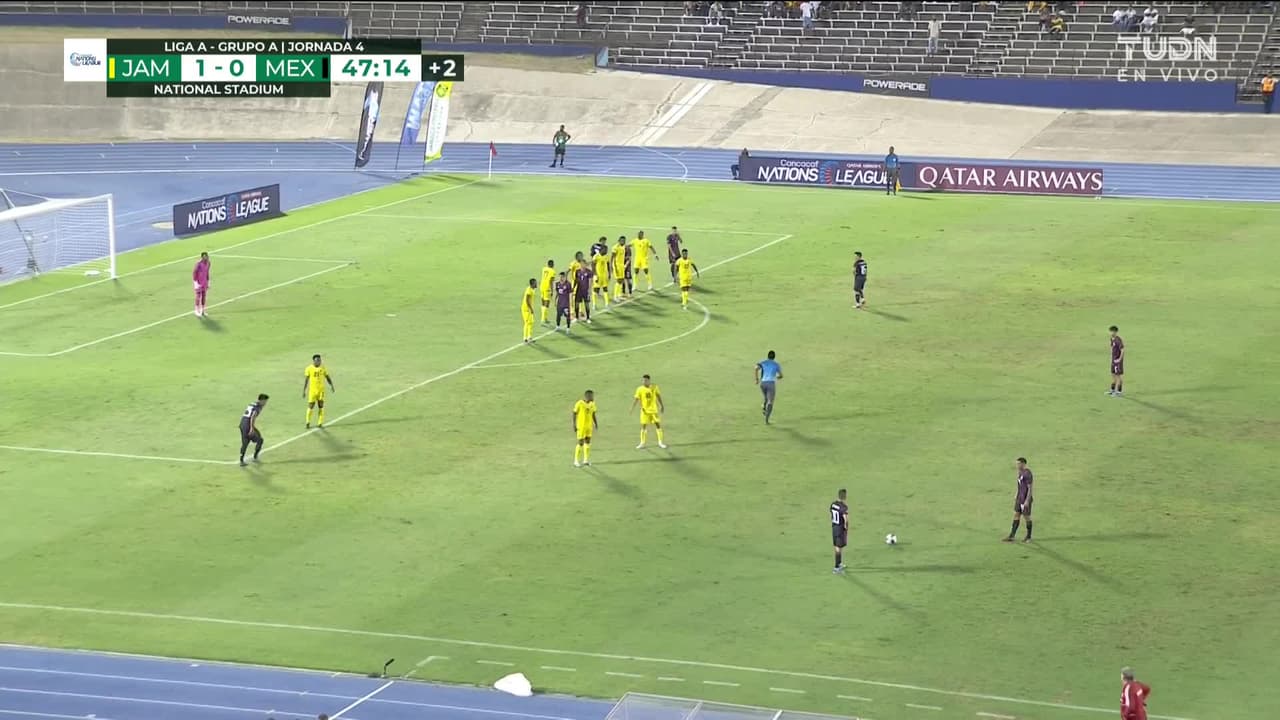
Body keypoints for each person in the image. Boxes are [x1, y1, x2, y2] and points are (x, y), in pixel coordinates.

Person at [1002, 457, 1034, 543]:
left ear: (1023, 464)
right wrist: (1016, 494)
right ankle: (1012, 536)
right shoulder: (1020, 473)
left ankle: (1029, 537)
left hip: (1024, 499)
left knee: (1026, 517)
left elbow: (1030, 488)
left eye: (1018, 463)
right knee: (1016, 515)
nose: (1017, 465)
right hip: (1019, 498)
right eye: (1017, 464)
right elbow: (1020, 485)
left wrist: (1027, 500)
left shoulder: (1028, 473)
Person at [631, 374, 667, 449]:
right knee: (643, 426)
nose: (644, 381)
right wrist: (632, 407)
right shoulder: (639, 389)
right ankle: (642, 443)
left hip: (654, 410)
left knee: (658, 425)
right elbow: (637, 399)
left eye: (646, 380)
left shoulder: (654, 387)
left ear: (649, 380)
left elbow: (658, 396)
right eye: (643, 380)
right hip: (644, 411)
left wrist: (662, 405)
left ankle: (660, 442)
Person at [303, 354, 335, 429]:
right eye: (317, 360)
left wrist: (331, 385)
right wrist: (304, 390)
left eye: (320, 360)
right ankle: (307, 422)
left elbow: (327, 377)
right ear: (314, 361)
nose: (319, 362)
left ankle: (320, 423)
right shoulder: (309, 368)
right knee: (311, 405)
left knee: (321, 405)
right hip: (312, 391)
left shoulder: (323, 368)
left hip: (321, 390)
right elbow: (306, 380)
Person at [238, 393, 269, 466]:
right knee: (259, 440)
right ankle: (255, 457)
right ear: (262, 400)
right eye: (265, 401)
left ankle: (241, 460)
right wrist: (251, 428)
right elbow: (252, 417)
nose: (265, 403)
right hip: (248, 425)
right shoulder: (258, 407)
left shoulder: (252, 404)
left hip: (242, 424)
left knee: (245, 442)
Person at [572, 389, 598, 467]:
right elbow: (574, 413)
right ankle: (576, 461)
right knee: (580, 442)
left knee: (588, 441)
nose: (593, 397)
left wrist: (595, 423)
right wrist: (574, 425)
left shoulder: (592, 404)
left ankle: (585, 460)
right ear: (587, 396)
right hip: (581, 426)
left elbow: (593, 414)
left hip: (589, 426)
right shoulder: (579, 403)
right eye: (592, 396)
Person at [755, 350, 783, 422]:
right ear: (774, 357)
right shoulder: (776, 364)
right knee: (770, 402)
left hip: (763, 383)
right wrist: (777, 377)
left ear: (768, 356)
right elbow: (781, 375)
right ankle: (767, 420)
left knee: (766, 398)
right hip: (771, 383)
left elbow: (756, 368)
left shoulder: (763, 362)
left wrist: (757, 379)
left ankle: (764, 407)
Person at [830, 488, 849, 573]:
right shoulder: (843, 507)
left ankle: (839, 563)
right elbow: (846, 519)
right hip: (840, 528)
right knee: (838, 548)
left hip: (834, 527)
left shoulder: (833, 504)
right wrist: (846, 527)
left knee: (838, 546)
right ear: (844, 496)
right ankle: (836, 568)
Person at [591, 238, 612, 310]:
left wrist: (609, 274)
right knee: (596, 290)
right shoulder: (596, 256)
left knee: (605, 289)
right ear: (601, 249)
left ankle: (607, 304)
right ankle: (594, 304)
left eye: (606, 250)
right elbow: (593, 266)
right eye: (605, 249)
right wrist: (595, 275)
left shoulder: (607, 256)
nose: (606, 251)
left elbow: (608, 265)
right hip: (598, 275)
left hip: (604, 275)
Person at [575, 258, 594, 323]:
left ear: (585, 264)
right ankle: (577, 317)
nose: (582, 265)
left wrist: (589, 290)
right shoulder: (577, 271)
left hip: (585, 291)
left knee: (586, 304)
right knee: (577, 304)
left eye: (583, 264)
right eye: (581, 264)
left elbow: (590, 281)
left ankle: (588, 318)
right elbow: (576, 280)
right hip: (579, 290)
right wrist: (574, 288)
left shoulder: (589, 272)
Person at [611, 236, 630, 301]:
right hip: (616, 266)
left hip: (621, 266)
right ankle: (615, 296)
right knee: (618, 280)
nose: (623, 242)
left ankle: (619, 294)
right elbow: (612, 258)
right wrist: (612, 266)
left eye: (624, 241)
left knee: (621, 280)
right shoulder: (615, 247)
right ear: (619, 240)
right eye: (622, 240)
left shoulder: (623, 247)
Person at [1108, 325, 1125, 397]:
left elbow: (1123, 350)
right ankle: (1112, 390)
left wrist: (1119, 359)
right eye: (1110, 331)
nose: (1111, 333)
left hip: (1117, 361)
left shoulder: (1118, 340)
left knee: (1118, 376)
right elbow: (1112, 347)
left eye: (1112, 331)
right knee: (1113, 374)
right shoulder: (1112, 339)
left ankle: (1119, 392)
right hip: (1113, 360)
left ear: (1115, 332)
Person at [192, 251, 210, 318]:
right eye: (204, 256)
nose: (206, 258)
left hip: (204, 282)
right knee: (198, 296)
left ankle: (202, 310)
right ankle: (196, 310)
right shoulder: (198, 263)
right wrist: (195, 283)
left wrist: (208, 281)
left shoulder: (208, 263)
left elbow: (207, 272)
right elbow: (194, 272)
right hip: (198, 282)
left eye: (206, 256)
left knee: (204, 296)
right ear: (202, 257)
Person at [539, 259, 556, 324]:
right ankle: (543, 319)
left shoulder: (544, 269)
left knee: (543, 302)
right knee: (547, 303)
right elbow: (551, 281)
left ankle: (544, 318)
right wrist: (552, 290)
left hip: (542, 286)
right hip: (547, 287)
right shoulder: (553, 271)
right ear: (552, 265)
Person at [521, 278, 537, 344]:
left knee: (530, 323)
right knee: (527, 323)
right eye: (535, 283)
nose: (536, 284)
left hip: (528, 309)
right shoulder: (529, 291)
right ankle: (525, 338)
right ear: (532, 284)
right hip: (526, 309)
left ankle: (529, 337)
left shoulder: (531, 289)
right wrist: (531, 309)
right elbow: (527, 301)